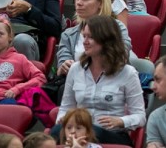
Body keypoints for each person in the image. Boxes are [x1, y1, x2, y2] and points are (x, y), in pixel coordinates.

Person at [55, 16, 146, 145]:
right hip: (79, 130)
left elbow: (140, 116)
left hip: (113, 134)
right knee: (55, 132)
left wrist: (120, 121)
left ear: (106, 40)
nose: (85, 42)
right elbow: (65, 107)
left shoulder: (128, 73)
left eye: (90, 37)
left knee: (94, 132)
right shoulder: (75, 69)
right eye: (84, 37)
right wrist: (62, 120)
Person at [56, 0, 133, 77]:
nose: (79, 3)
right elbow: (62, 63)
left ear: (100, 3)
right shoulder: (68, 35)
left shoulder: (117, 28)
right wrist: (64, 66)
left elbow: (121, 57)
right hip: (77, 84)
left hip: (111, 83)